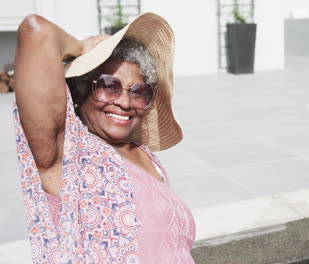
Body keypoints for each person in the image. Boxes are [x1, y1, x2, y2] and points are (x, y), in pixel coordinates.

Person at [13, 12, 195, 263]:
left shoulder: (144, 154)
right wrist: (81, 47)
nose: (124, 102)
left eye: (139, 91)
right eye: (109, 86)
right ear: (80, 91)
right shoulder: (70, 157)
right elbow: (36, 30)